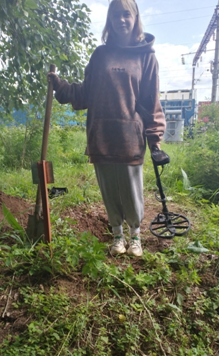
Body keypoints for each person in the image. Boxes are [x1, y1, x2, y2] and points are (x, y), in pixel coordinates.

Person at [47, 0, 166, 257]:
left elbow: (150, 101)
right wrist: (61, 86)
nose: (121, 20)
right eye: (116, 15)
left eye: (127, 14)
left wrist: (155, 140)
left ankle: (135, 237)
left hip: (130, 137)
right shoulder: (100, 55)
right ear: (109, 20)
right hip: (101, 134)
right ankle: (117, 236)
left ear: (135, 18)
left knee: (131, 190)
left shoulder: (147, 56)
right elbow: (87, 93)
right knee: (109, 188)